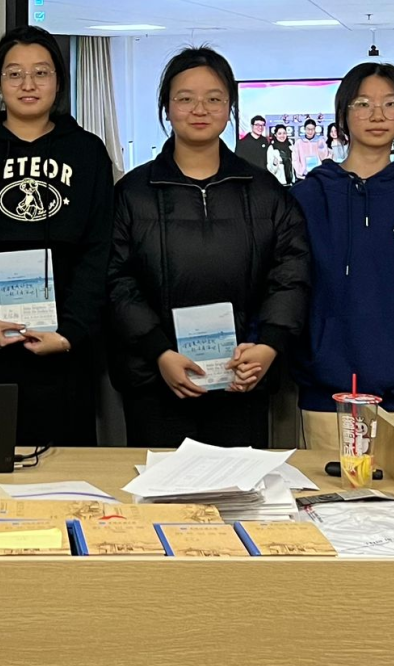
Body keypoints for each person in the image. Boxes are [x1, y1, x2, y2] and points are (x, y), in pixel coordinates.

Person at [107, 48, 310, 448]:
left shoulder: (266, 191)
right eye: (185, 98)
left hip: (242, 379)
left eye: (214, 98)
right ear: (167, 107)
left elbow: (291, 273)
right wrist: (159, 352)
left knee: (241, 485)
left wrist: (268, 345)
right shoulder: (133, 193)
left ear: (230, 107)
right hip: (157, 382)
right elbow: (116, 279)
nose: (200, 109)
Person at [0, 27, 116, 447]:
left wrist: (71, 332)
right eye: (14, 74)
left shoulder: (87, 152)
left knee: (66, 469)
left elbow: (99, 250)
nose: (28, 84)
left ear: (58, 81)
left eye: (41, 73)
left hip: (66, 347)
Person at [291, 62, 394, 447]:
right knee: (327, 489)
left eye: (390, 104)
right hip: (329, 394)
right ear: (343, 114)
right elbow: (295, 288)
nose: (377, 115)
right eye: (363, 104)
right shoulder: (308, 197)